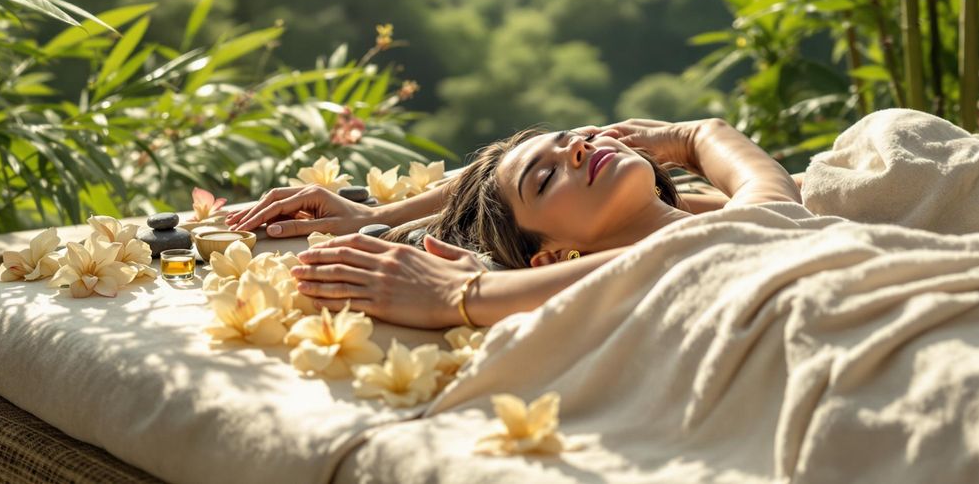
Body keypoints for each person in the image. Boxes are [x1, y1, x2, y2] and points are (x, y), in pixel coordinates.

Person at [226, 117, 801, 330]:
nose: (578, 148)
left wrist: (461, 291)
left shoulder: (746, 216)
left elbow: (710, 145)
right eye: (546, 179)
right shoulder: (739, 220)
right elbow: (647, 265)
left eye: (576, 139)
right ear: (549, 258)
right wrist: (689, 137)